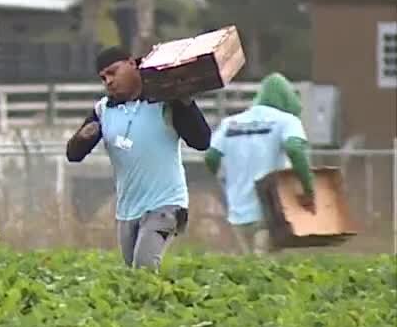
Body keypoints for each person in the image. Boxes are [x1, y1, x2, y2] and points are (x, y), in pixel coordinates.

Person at [66, 46, 213, 270]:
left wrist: (186, 103)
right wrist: (81, 139)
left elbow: (201, 141)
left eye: (113, 72)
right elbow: (73, 155)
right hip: (127, 210)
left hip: (166, 204)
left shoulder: (165, 101)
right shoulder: (103, 110)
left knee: (144, 267)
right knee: (134, 276)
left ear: (132, 64)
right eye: (103, 78)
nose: (108, 81)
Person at [204, 72, 314, 255]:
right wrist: (308, 188)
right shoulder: (286, 121)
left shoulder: (231, 123)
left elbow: (211, 157)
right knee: (265, 270)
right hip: (271, 211)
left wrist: (224, 183)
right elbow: (295, 149)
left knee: (247, 270)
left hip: (238, 212)